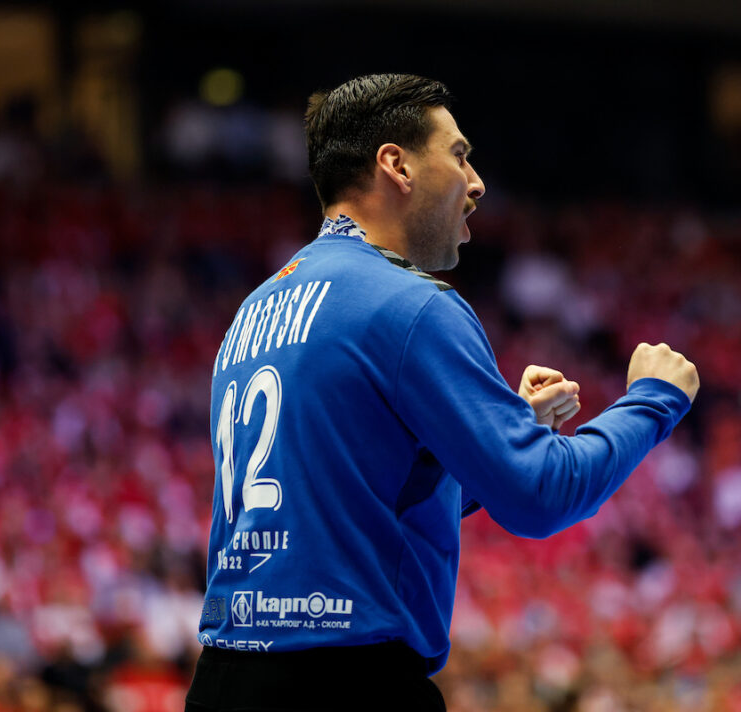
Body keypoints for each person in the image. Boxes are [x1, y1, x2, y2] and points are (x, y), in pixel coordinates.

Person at [185, 73, 699, 711]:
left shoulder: (252, 312)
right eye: (459, 155)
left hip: (223, 681)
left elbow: (358, 501)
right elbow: (541, 495)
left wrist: (484, 436)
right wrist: (652, 400)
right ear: (396, 165)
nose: (476, 182)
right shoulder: (410, 304)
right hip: (347, 684)